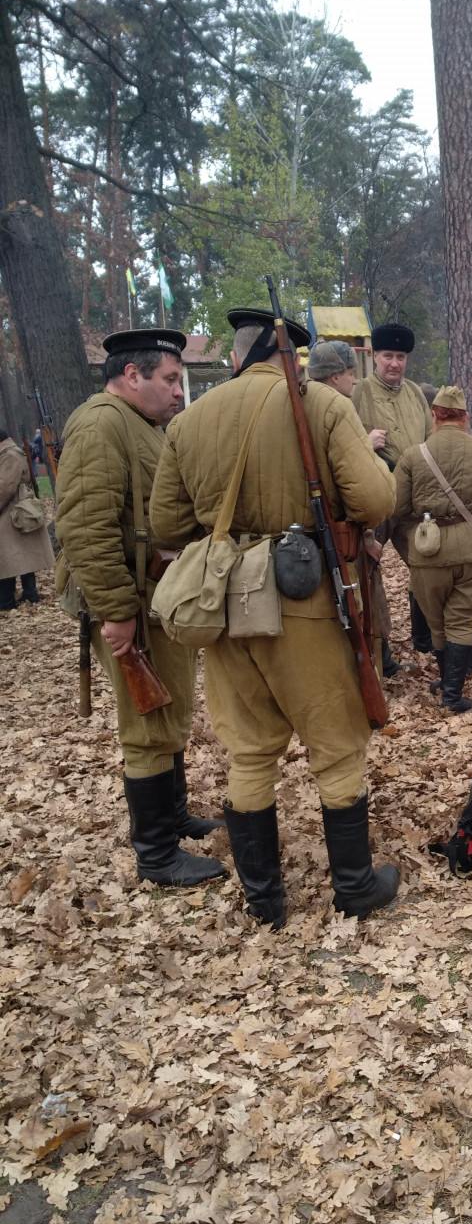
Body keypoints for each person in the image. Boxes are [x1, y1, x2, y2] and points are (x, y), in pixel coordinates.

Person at [149, 308, 398, 930]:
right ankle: (354, 886)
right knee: (337, 748)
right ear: (287, 354)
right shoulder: (319, 405)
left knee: (250, 752)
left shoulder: (190, 420)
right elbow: (375, 499)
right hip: (305, 599)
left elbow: (168, 526)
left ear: (236, 356)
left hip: (225, 606)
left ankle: (265, 900)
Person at [55, 329, 226, 889]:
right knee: (148, 722)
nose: (179, 393)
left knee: (169, 711)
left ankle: (173, 818)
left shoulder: (142, 426)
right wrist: (117, 610)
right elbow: (85, 526)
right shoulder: (101, 423)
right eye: (170, 380)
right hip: (132, 604)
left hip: (156, 601)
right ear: (133, 376)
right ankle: (156, 854)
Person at [393, 386, 472, 712]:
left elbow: (397, 507)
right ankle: (452, 694)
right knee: (461, 620)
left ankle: (448, 683)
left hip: (428, 552)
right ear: (464, 417)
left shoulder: (412, 456)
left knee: (437, 623)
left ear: (434, 416)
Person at [308, 339, 400, 678]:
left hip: (320, 533)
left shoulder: (297, 401)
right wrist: (366, 443)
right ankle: (373, 661)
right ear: (336, 377)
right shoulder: (336, 407)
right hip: (345, 530)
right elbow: (361, 488)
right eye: (350, 373)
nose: (354, 381)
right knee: (360, 598)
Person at [352, 322, 434, 656]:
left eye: (400, 357)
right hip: (375, 496)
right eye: (388, 355)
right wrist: (364, 443)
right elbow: (339, 446)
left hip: (413, 498)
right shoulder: (359, 393)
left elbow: (431, 440)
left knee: (427, 563)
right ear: (374, 357)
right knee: (366, 569)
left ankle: (426, 640)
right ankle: (378, 650)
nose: (394, 363)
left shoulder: (415, 393)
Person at [0, 428, 55, 610]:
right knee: (18, 558)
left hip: (13, 511)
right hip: (12, 511)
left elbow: (5, 486)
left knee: (12, 559)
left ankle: (10, 599)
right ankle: (27, 594)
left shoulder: (9, 455)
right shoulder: (8, 453)